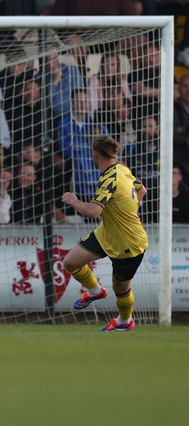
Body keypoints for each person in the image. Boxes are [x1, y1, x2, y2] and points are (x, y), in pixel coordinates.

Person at [60, 135, 147, 331]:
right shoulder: (123, 169)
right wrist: (119, 212)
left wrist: (73, 200)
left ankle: (125, 321)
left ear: (95, 155)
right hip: (106, 232)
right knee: (70, 262)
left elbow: (93, 211)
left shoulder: (109, 178)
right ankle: (95, 290)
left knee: (120, 288)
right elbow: (142, 191)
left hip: (128, 242)